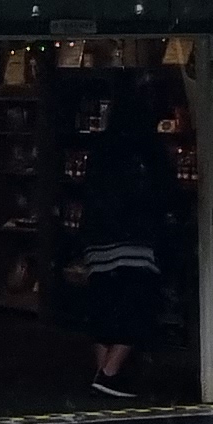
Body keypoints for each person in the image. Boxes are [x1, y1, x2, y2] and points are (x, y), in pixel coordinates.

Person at [73, 137, 171, 398]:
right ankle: (109, 373)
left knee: (103, 309)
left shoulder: (99, 159)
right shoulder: (144, 160)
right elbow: (160, 195)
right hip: (134, 243)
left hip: (96, 242)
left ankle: (103, 372)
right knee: (137, 308)